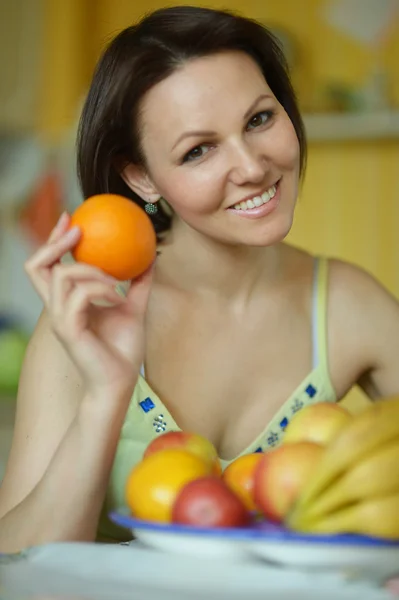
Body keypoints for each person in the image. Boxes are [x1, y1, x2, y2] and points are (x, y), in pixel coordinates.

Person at [0, 5, 398, 555]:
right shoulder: (87, 319)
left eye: (260, 119)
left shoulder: (350, 307)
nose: (252, 166)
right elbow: (14, 564)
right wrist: (106, 397)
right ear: (140, 176)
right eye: (198, 150)